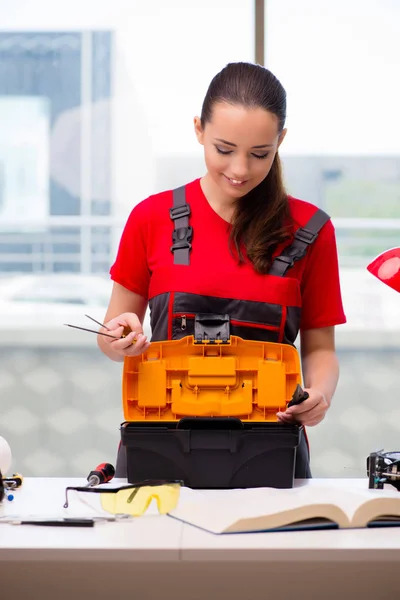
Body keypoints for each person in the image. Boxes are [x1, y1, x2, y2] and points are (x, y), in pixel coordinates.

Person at [97, 61, 346, 478]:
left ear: (281, 140)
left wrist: (319, 394)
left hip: (271, 454)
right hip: (159, 448)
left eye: (260, 154)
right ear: (199, 130)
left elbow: (320, 348)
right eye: (224, 149)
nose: (240, 170)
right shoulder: (150, 217)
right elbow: (111, 335)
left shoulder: (312, 230)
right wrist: (118, 337)